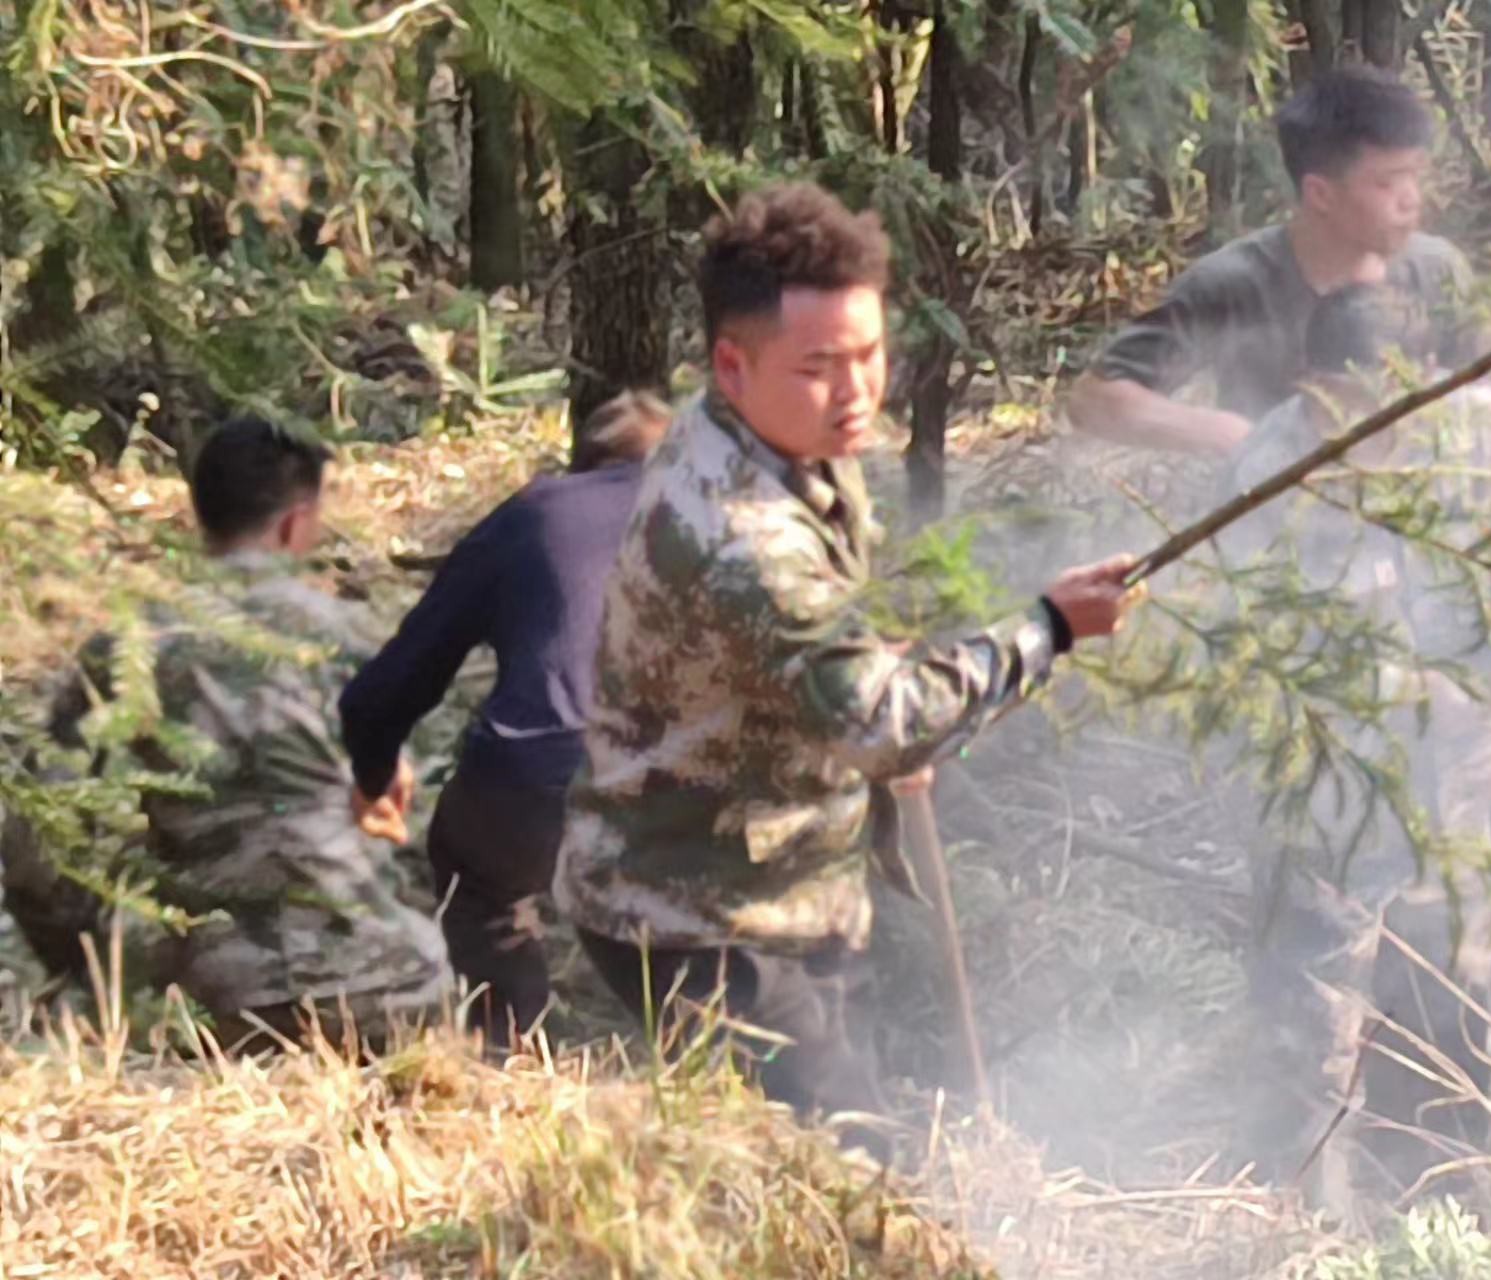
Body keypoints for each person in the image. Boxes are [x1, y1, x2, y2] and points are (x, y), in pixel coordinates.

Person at [553, 182, 1144, 1154]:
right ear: (731, 366)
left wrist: (864, 683)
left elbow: (822, 665)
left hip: (783, 873)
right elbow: (880, 722)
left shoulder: (789, 434)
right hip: (698, 915)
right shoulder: (743, 533)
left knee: (828, 1141)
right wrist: (1048, 628)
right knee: (838, 1165)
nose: (859, 389)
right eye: (821, 366)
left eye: (871, 353)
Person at [1225, 284, 1491, 1213]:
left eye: (1399, 410)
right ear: (1307, 390)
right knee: (1313, 1003)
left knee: (1462, 976)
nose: (1379, 438)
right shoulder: (1268, 467)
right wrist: (1413, 694)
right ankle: (1310, 1220)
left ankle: (1460, 1195)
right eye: (1351, 415)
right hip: (1332, 781)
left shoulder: (1486, 434)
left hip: (1469, 768)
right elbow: (1259, 651)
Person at [0, 417, 451, 1052]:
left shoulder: (130, 648)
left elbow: (38, 838)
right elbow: (427, 822)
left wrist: (84, 962)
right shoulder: (360, 641)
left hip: (210, 1003)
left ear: (201, 512)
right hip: (388, 990)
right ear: (297, 522)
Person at [337, 390, 672, 1052]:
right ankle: (724, 1062)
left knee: (479, 883)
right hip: (696, 772)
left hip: (539, 766)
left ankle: (508, 1048)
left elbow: (398, 678)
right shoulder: (726, 517)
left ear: (580, 466)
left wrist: (374, 774)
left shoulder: (535, 514)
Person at [1064, 65, 1470, 456]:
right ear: (1320, 194)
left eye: (1414, 175)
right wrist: (1235, 437)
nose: (1411, 198)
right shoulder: (1234, 284)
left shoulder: (1438, 273)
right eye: (1386, 181)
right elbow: (1095, 399)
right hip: (1273, 511)